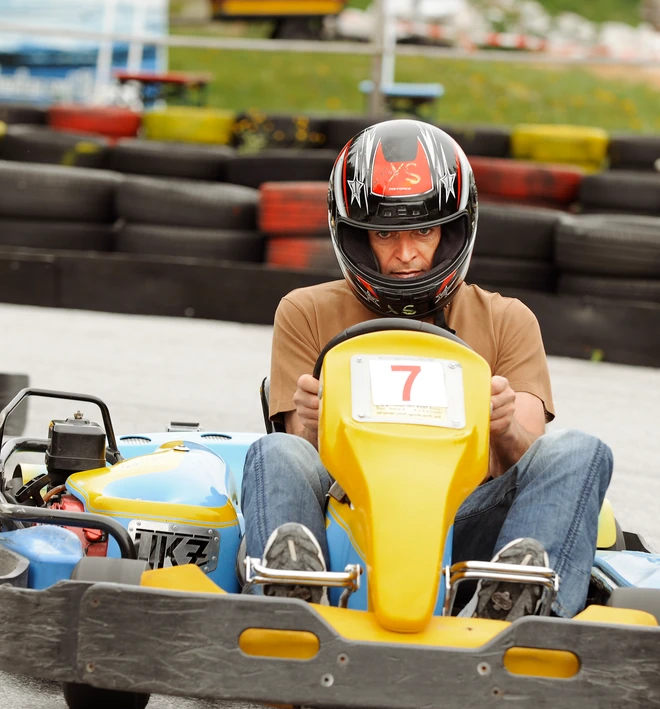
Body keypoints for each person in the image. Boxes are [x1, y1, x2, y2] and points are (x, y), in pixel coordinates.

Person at [240, 119, 612, 621]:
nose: (408, 253)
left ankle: (516, 601)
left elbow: (528, 460)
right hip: (350, 517)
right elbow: (299, 458)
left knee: (580, 450)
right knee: (274, 449)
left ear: (453, 229)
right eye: (385, 234)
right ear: (354, 236)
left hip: (464, 520)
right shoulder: (306, 311)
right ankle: (293, 597)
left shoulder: (507, 320)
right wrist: (311, 421)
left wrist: (501, 427)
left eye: (423, 229)